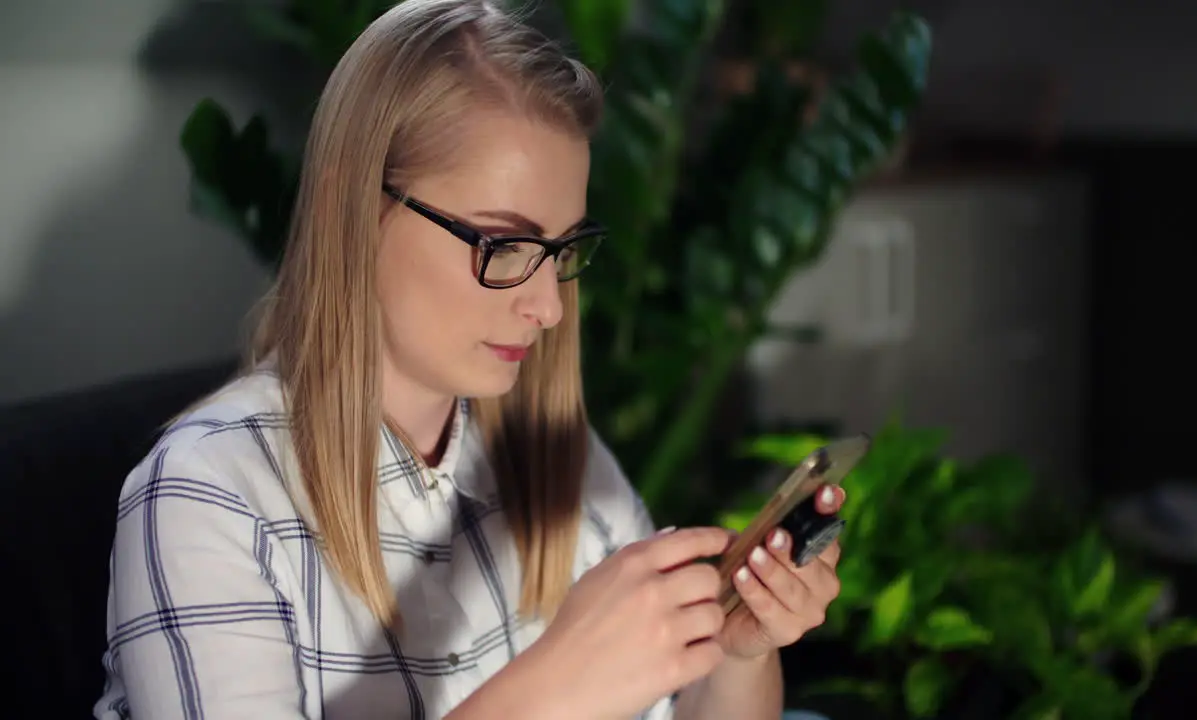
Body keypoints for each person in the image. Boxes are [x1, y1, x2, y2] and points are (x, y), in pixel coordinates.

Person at [94, 1, 846, 718]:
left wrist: (741, 654)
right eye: (504, 245)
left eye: (561, 251)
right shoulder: (209, 498)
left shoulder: (560, 464)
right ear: (356, 209)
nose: (549, 308)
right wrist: (552, 692)